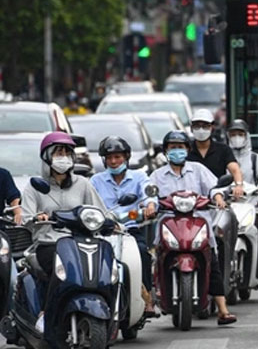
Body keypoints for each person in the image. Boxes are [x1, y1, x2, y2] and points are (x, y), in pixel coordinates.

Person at [149, 131, 237, 325]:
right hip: (169, 223)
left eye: (180, 147)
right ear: (165, 151)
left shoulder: (197, 169)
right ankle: (150, 300)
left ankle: (223, 310)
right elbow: (149, 195)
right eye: (172, 147)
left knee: (211, 261)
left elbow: (215, 187)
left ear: (188, 149)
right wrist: (149, 206)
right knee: (155, 260)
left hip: (198, 222)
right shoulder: (157, 175)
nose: (176, 151)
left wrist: (218, 197)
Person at [21, 132, 106, 329]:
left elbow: (100, 211)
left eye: (67, 152)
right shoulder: (34, 187)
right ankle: (46, 312)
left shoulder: (83, 183)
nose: (63, 157)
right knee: (60, 269)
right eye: (58, 152)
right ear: (46, 156)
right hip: (48, 243)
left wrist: (111, 222)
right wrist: (37, 217)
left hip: (80, 242)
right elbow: (26, 217)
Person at [90, 136, 159, 317]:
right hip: (103, 232)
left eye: (118, 157)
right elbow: (88, 203)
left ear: (126, 157)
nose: (113, 161)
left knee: (143, 253)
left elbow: (149, 193)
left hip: (130, 231)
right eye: (109, 157)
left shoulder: (139, 176)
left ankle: (148, 299)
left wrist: (150, 205)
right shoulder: (95, 181)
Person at [186, 109, 244, 199]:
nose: (201, 130)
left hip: (218, 197)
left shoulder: (223, 149)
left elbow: (235, 169)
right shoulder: (186, 151)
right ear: (191, 128)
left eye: (205, 126)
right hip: (190, 199)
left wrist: (239, 185)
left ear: (212, 127)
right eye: (197, 126)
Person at [1, 167, 22, 308]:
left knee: (13, 280)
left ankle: (10, 320)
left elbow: (13, 198)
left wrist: (17, 212)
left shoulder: (3, 175)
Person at [226, 119, 258, 185]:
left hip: (252, 194)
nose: (237, 138)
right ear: (228, 137)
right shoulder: (223, 157)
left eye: (240, 135)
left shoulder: (256, 158)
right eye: (233, 135)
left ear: (247, 136)